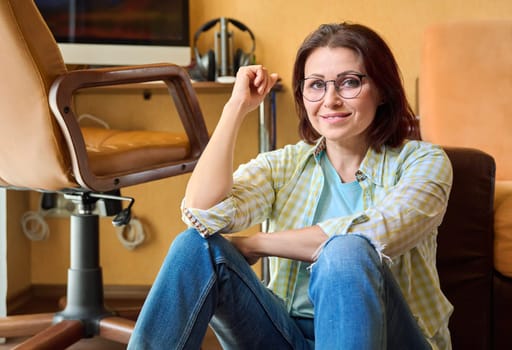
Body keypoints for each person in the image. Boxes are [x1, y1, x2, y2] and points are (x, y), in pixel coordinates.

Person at [128, 22, 453, 350]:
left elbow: (375, 234)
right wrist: (236, 108)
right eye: (315, 85)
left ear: (382, 90)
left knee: (345, 251)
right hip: (286, 334)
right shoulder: (284, 165)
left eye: (350, 82)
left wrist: (257, 243)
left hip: (388, 337)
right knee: (194, 246)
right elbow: (202, 212)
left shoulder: (423, 161)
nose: (330, 100)